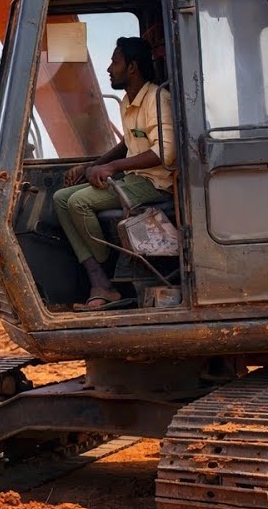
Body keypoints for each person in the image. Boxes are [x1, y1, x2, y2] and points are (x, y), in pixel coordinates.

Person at [52, 36, 175, 311]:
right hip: (135, 179)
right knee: (61, 198)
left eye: (114, 62)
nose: (109, 69)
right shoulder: (127, 102)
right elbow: (127, 144)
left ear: (132, 67)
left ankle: (106, 278)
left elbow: (165, 153)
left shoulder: (157, 98)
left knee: (79, 202)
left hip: (156, 183)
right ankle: (100, 280)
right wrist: (93, 165)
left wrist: (111, 168)